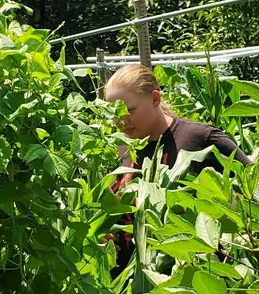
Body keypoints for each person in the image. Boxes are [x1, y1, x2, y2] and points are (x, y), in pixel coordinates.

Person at [101, 65, 248, 271]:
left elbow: (257, 185)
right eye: (113, 112)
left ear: (155, 99)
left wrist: (219, 236)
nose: (121, 120)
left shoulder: (197, 139)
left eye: (129, 110)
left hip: (188, 278)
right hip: (129, 284)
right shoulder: (118, 148)